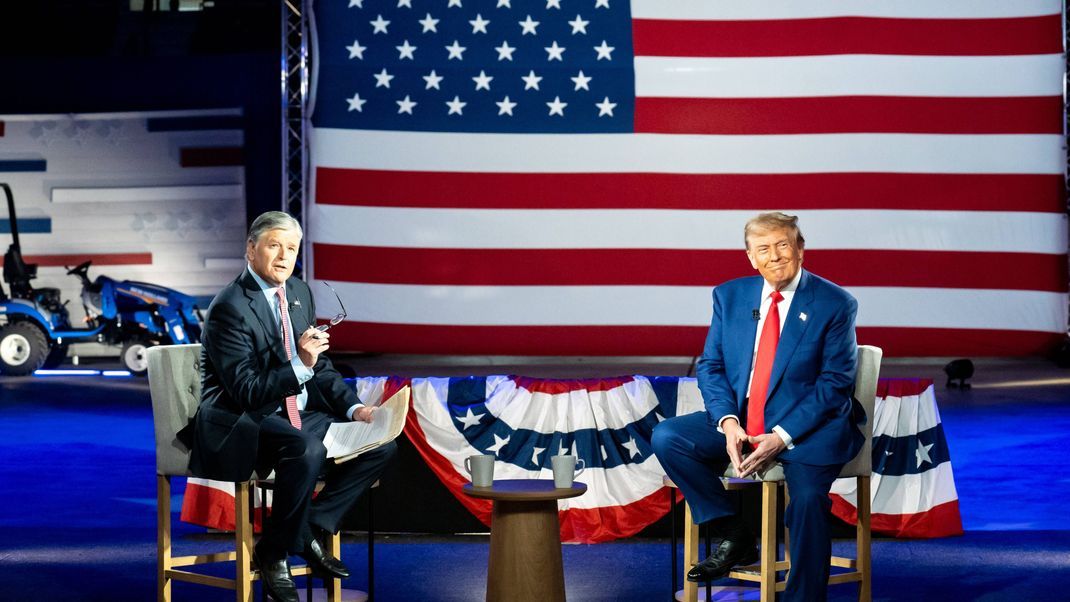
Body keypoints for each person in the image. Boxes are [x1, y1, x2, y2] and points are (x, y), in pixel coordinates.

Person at [184, 211, 396, 602]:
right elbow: (247, 390)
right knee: (305, 448)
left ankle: (309, 528)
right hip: (244, 419)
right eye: (274, 245)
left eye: (292, 249)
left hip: (295, 413)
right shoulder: (229, 307)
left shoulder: (298, 292)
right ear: (251, 250)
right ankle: (274, 551)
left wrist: (354, 410)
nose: (284, 256)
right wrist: (299, 363)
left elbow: (322, 366)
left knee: (382, 444)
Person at [651, 212, 863, 602]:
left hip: (808, 429)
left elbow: (835, 384)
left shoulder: (835, 303)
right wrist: (729, 424)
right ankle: (735, 532)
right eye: (763, 249)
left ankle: (804, 598)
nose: (775, 256)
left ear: (800, 249)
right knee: (669, 437)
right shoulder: (729, 296)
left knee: (808, 501)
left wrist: (781, 437)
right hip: (745, 421)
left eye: (784, 245)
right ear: (751, 257)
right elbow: (711, 366)